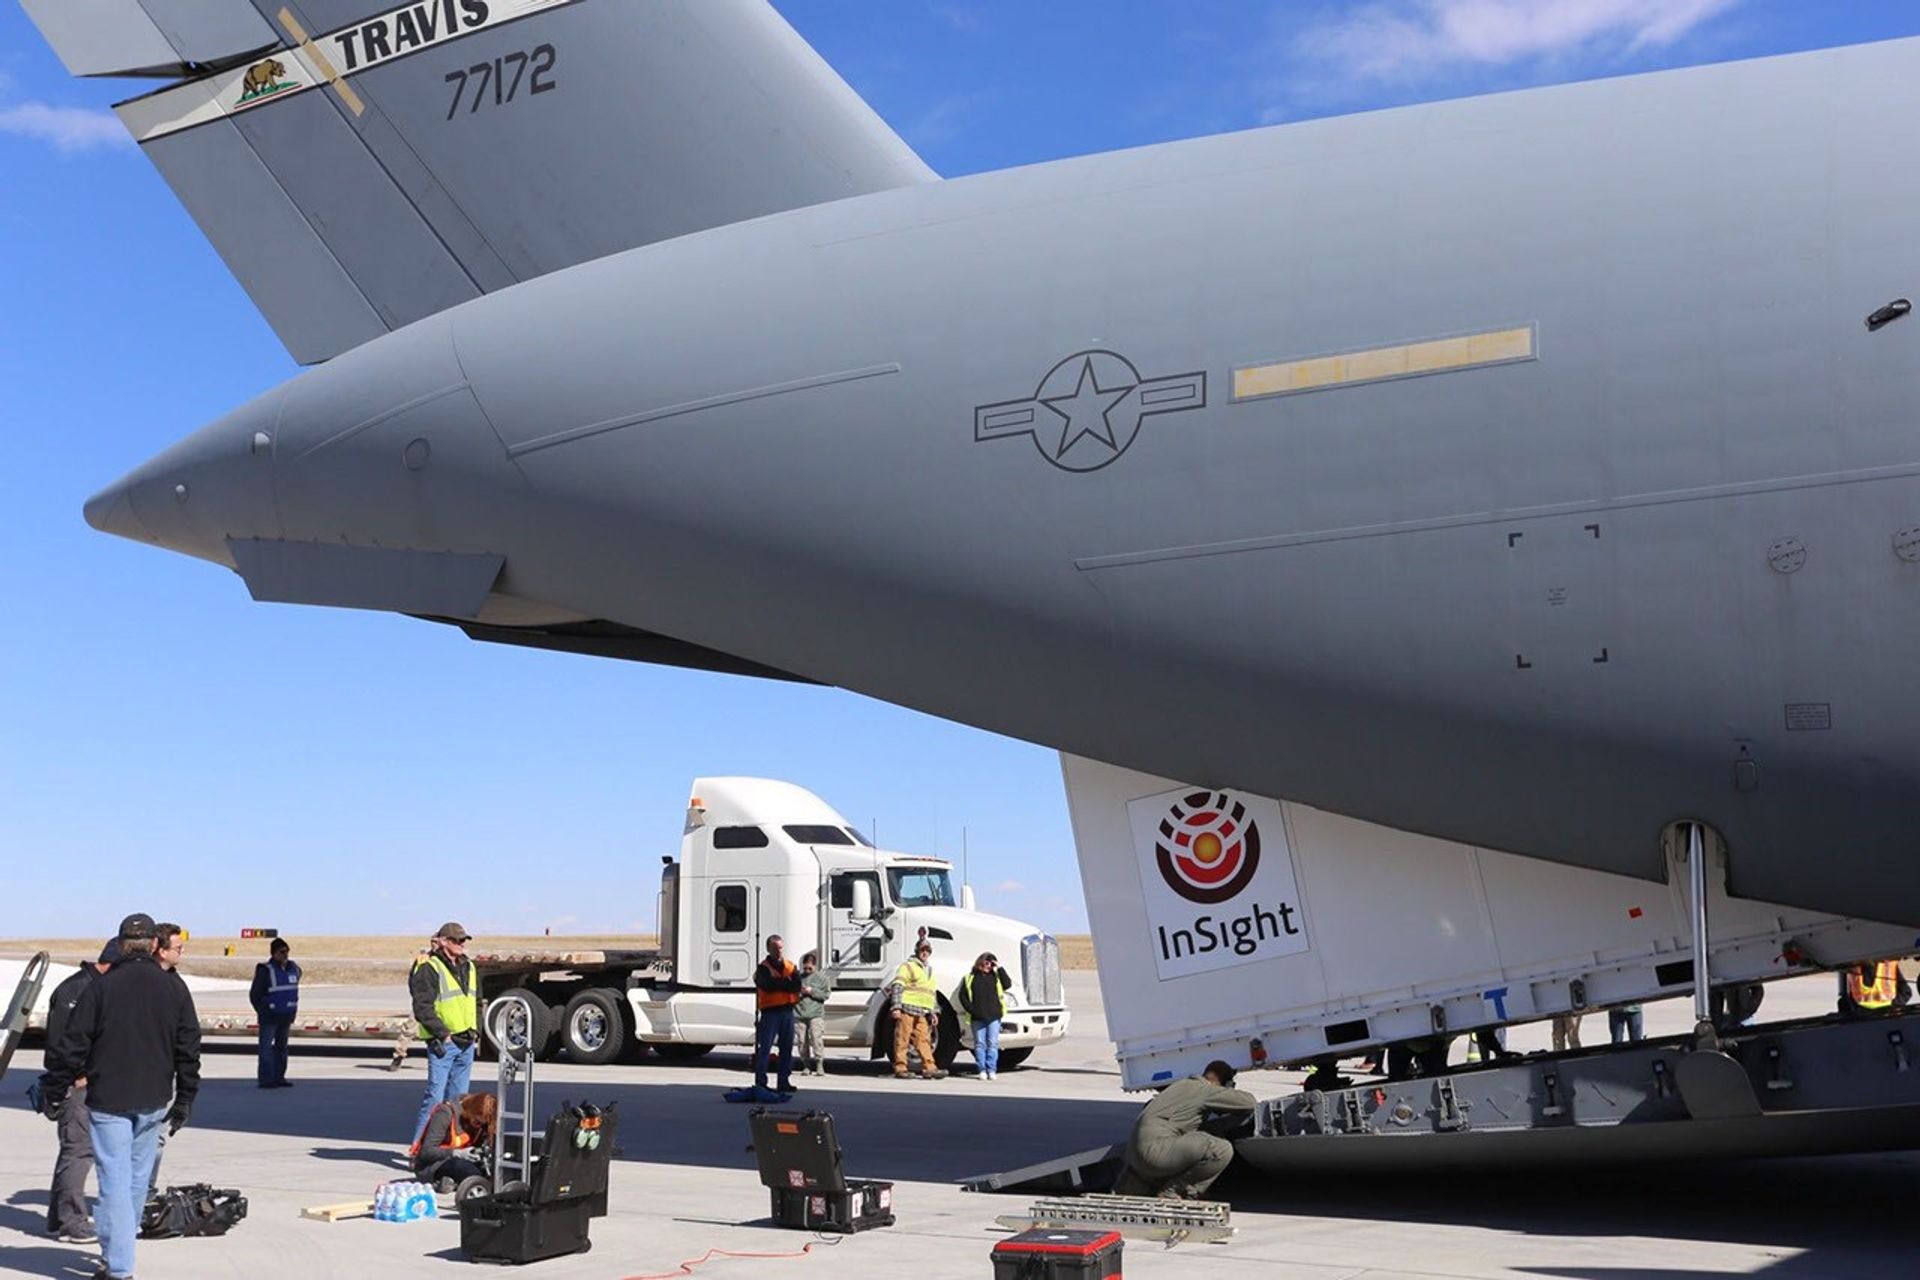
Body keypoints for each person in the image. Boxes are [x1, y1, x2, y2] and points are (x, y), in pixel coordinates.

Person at [40, 913, 200, 1280]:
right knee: (134, 1183)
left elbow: (72, 1046)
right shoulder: (174, 988)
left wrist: (53, 1089)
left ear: (123, 944)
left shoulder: (101, 987)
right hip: (154, 1099)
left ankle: (119, 1265)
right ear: (154, 945)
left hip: (110, 1100)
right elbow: (188, 1048)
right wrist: (186, 1097)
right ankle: (118, 1256)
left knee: (114, 1181)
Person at [38, 939, 116, 1244]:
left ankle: (57, 1219)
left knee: (72, 1151)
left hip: (83, 1081)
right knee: (78, 1151)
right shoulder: (77, 990)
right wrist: (77, 1076)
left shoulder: (93, 987)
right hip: (75, 1085)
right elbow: (61, 1045)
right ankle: (73, 1221)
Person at [1115, 1060, 1256, 1200]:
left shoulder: (1178, 1086)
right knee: (1221, 1149)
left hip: (1133, 1157)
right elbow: (1249, 1102)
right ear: (1222, 1082)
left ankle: (1129, 1188)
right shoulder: (1204, 1089)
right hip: (1155, 1154)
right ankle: (1175, 1191)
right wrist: (1228, 1092)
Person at [410, 923, 480, 1144]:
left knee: (459, 1101)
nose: (461, 945)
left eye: (463, 941)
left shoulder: (469, 967)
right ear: (443, 941)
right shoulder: (430, 967)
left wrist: (475, 1029)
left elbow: (476, 1002)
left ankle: (449, 1146)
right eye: (456, 940)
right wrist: (442, 1034)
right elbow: (422, 1006)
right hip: (444, 1044)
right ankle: (419, 1149)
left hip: (466, 1042)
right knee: (434, 1099)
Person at [411, 1091, 497, 1190]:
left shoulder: (482, 1123)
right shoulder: (445, 1113)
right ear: (470, 1110)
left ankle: (452, 1181)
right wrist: (456, 1153)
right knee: (468, 1171)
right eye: (477, 1122)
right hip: (434, 1164)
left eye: (482, 1124)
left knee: (491, 1171)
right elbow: (426, 1152)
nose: (479, 1126)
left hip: (465, 1159)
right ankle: (451, 1181)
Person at [889, 939, 946, 1080]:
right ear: (917, 951)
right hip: (906, 1009)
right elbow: (897, 986)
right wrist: (896, 1007)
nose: (925, 952)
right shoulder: (908, 966)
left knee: (924, 1040)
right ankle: (900, 1068)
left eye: (927, 950)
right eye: (922, 950)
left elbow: (931, 993)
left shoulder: (930, 971)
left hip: (922, 1012)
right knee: (902, 1039)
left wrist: (934, 1012)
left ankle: (930, 1068)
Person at [752, 935, 802, 1093]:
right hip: (770, 1012)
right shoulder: (763, 968)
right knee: (765, 1048)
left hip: (787, 1011)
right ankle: (761, 1082)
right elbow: (767, 985)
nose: (778, 951)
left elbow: (796, 986)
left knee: (786, 1048)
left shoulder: (790, 966)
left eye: (780, 947)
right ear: (768, 949)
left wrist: (781, 984)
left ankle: (783, 1081)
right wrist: (786, 983)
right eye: (775, 948)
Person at [250, 938, 300, 1088]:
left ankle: (279, 1077)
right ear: (274, 953)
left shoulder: (294, 969)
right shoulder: (265, 970)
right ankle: (266, 1080)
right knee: (266, 1048)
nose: (285, 955)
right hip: (270, 1016)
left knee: (281, 1048)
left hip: (286, 1016)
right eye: (282, 952)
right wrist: (263, 1010)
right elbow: (255, 995)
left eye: (287, 952)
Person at [960, 951, 1014, 1080]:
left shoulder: (996, 977)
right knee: (979, 1044)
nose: (988, 965)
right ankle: (982, 1069)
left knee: (993, 1044)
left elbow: (1007, 984)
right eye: (986, 962)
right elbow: (962, 996)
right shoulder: (970, 977)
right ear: (980, 963)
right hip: (977, 1017)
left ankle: (991, 1069)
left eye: (991, 963)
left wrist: (999, 967)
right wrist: (972, 1010)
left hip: (994, 1016)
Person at [795, 951, 832, 1077]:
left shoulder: (822, 979)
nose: (807, 970)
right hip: (799, 1013)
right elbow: (791, 994)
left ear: (815, 966)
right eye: (805, 968)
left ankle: (819, 1064)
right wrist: (800, 993)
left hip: (816, 1013)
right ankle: (806, 1065)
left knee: (816, 1039)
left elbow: (826, 995)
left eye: (809, 968)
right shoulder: (798, 978)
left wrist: (812, 991)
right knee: (801, 1041)